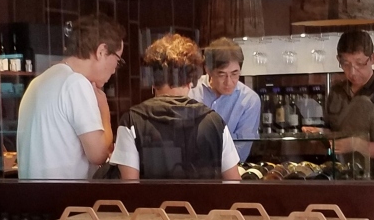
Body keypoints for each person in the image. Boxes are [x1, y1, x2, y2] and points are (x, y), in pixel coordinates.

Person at [111, 34, 241, 180]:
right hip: (204, 197)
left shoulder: (131, 121)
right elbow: (233, 183)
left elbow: (129, 186)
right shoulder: (215, 122)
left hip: (152, 197)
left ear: (153, 80)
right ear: (191, 81)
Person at [16, 13, 125, 180]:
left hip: (31, 193)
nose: (115, 69)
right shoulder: (76, 83)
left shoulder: (38, 82)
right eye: (117, 60)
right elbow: (98, 154)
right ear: (102, 52)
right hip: (65, 195)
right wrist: (104, 110)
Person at [326, 29, 374, 175]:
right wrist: (318, 133)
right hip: (338, 173)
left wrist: (356, 144)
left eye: (360, 63)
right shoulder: (336, 92)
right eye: (346, 64)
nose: (352, 72)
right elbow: (329, 131)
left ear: (373, 58)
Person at [188, 37, 261, 161]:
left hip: (230, 170)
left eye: (234, 74)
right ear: (208, 70)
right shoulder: (190, 91)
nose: (229, 82)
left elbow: (241, 152)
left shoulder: (249, 100)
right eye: (221, 74)